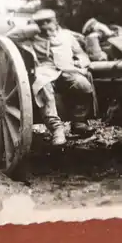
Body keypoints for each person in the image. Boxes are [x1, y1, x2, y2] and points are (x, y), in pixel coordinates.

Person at [26, 9, 95, 146]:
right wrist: (32, 28)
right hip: (45, 71)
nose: (45, 25)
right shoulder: (32, 37)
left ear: (56, 21)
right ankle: (57, 128)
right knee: (43, 87)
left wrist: (81, 63)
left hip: (68, 69)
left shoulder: (67, 36)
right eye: (41, 23)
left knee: (83, 84)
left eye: (48, 21)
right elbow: (11, 36)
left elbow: (81, 54)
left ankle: (79, 121)